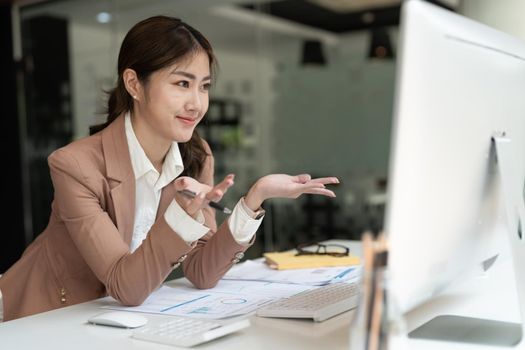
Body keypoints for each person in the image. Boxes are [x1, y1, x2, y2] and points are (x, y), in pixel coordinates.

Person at [0, 15, 339, 322]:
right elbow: (126, 286)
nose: (197, 103)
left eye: (204, 86)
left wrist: (254, 199)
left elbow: (201, 271)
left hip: (109, 321)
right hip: (40, 317)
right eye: (182, 84)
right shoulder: (75, 165)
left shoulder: (196, 156)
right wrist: (180, 216)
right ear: (134, 84)